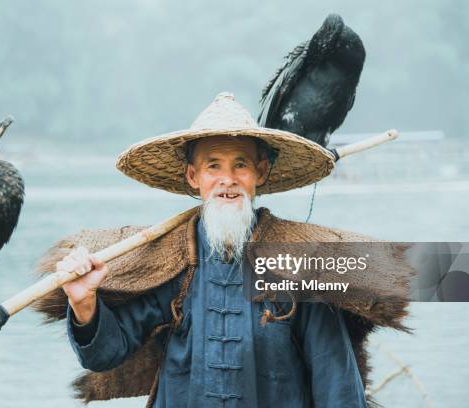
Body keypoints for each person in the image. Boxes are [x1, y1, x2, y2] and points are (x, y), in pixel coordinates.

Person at [37, 92, 412, 407]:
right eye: (212, 166)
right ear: (193, 177)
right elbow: (104, 355)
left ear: (260, 173)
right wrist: (84, 303)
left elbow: (336, 380)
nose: (227, 180)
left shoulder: (297, 262)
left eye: (241, 165)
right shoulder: (172, 262)